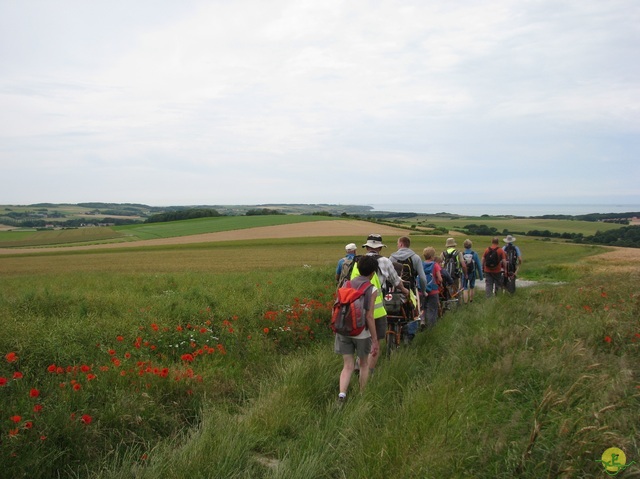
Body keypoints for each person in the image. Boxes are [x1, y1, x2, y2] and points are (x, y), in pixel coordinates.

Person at [351, 234, 409, 376]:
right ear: (380, 248)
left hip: (356, 307)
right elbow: (395, 281)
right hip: (376, 307)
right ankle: (368, 373)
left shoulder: (357, 261)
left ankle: (359, 363)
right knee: (375, 341)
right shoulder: (385, 261)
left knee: (362, 337)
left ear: (367, 247)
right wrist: (405, 290)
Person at [335, 255, 379, 403]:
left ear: (358, 269)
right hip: (361, 332)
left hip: (343, 330)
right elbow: (369, 316)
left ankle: (342, 395)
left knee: (347, 365)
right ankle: (362, 395)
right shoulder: (372, 289)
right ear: (373, 273)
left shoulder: (346, 285)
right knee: (363, 364)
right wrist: (374, 339)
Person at [421, 247, 443, 328]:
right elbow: (440, 278)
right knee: (432, 309)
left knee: (422, 307)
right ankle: (431, 327)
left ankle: (422, 321)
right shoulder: (435, 265)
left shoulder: (421, 264)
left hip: (422, 290)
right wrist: (439, 282)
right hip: (433, 291)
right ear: (432, 256)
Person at [461, 239, 483, 304]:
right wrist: (481, 276)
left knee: (465, 287)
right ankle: (471, 300)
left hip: (464, 273)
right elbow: (479, 265)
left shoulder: (462, 254)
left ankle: (465, 302)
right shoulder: (474, 254)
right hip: (472, 273)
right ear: (471, 245)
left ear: (464, 246)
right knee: (472, 286)